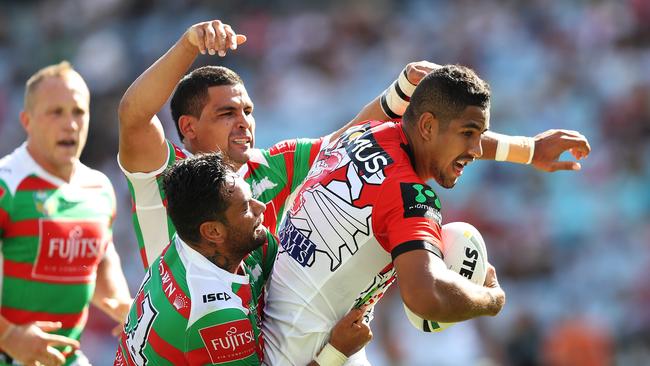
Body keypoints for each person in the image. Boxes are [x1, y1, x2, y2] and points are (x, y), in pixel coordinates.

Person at [117, 19, 591, 269]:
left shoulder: (273, 167)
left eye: (248, 111)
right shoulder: (165, 175)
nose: (244, 122)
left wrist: (525, 150)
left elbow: (366, 138)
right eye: (226, 113)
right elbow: (133, 116)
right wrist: (189, 43)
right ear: (188, 127)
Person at [261, 65, 574, 365]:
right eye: (469, 133)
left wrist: (528, 149)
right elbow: (425, 297)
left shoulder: (366, 132)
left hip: (282, 335)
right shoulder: (410, 195)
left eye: (480, 134)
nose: (477, 149)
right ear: (426, 126)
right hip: (303, 354)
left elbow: (449, 127)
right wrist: (491, 300)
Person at [114, 153, 372, 365]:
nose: (261, 207)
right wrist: (337, 351)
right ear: (213, 231)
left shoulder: (198, 243)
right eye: (246, 207)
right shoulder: (215, 314)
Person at [0, 62, 132, 365]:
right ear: (27, 121)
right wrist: (9, 336)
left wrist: (124, 307)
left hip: (68, 359)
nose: (70, 124)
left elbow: (100, 259)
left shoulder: (99, 188)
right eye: (55, 112)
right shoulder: (6, 185)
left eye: (78, 112)